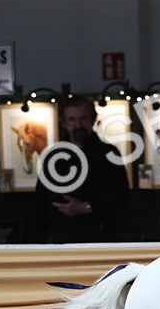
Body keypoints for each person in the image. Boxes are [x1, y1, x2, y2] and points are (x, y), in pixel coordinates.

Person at [32, 95, 130, 243]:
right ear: (64, 122)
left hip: (99, 240)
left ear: (93, 120)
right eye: (72, 119)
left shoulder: (108, 153)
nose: (78, 125)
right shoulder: (53, 156)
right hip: (60, 240)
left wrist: (86, 207)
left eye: (83, 118)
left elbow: (121, 197)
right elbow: (40, 203)